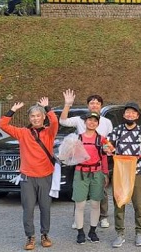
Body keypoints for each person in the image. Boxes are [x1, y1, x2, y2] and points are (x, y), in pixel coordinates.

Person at [0, 97, 58, 250]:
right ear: (29, 118)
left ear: (43, 117)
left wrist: (47, 108)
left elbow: (55, 122)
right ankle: (30, 237)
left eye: (38, 115)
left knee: (45, 207)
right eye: (32, 116)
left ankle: (45, 234)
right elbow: (2, 125)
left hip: (45, 175)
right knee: (28, 209)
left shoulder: (49, 132)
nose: (36, 118)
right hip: (27, 177)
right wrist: (12, 110)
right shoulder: (23, 133)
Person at [59, 90, 114, 229]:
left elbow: (109, 143)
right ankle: (77, 220)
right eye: (92, 102)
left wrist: (106, 166)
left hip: (99, 161)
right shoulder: (79, 119)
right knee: (79, 195)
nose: (94, 105)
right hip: (81, 162)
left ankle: (103, 217)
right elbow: (63, 121)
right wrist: (67, 105)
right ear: (88, 105)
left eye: (97, 103)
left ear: (101, 105)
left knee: (101, 192)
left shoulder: (106, 122)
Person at [107, 102, 141, 248]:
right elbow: (107, 143)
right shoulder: (118, 129)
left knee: (139, 205)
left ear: (137, 116)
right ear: (124, 114)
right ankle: (120, 234)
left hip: (137, 171)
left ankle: (139, 233)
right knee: (119, 203)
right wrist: (109, 148)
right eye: (127, 112)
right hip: (120, 172)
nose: (130, 115)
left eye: (133, 113)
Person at [72, 112, 113, 244]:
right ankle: (80, 232)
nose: (92, 122)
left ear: (98, 123)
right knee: (80, 204)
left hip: (97, 172)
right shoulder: (77, 138)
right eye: (89, 120)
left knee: (96, 204)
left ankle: (92, 231)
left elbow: (106, 155)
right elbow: (69, 156)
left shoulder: (102, 139)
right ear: (85, 122)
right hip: (81, 172)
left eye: (95, 121)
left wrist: (105, 173)